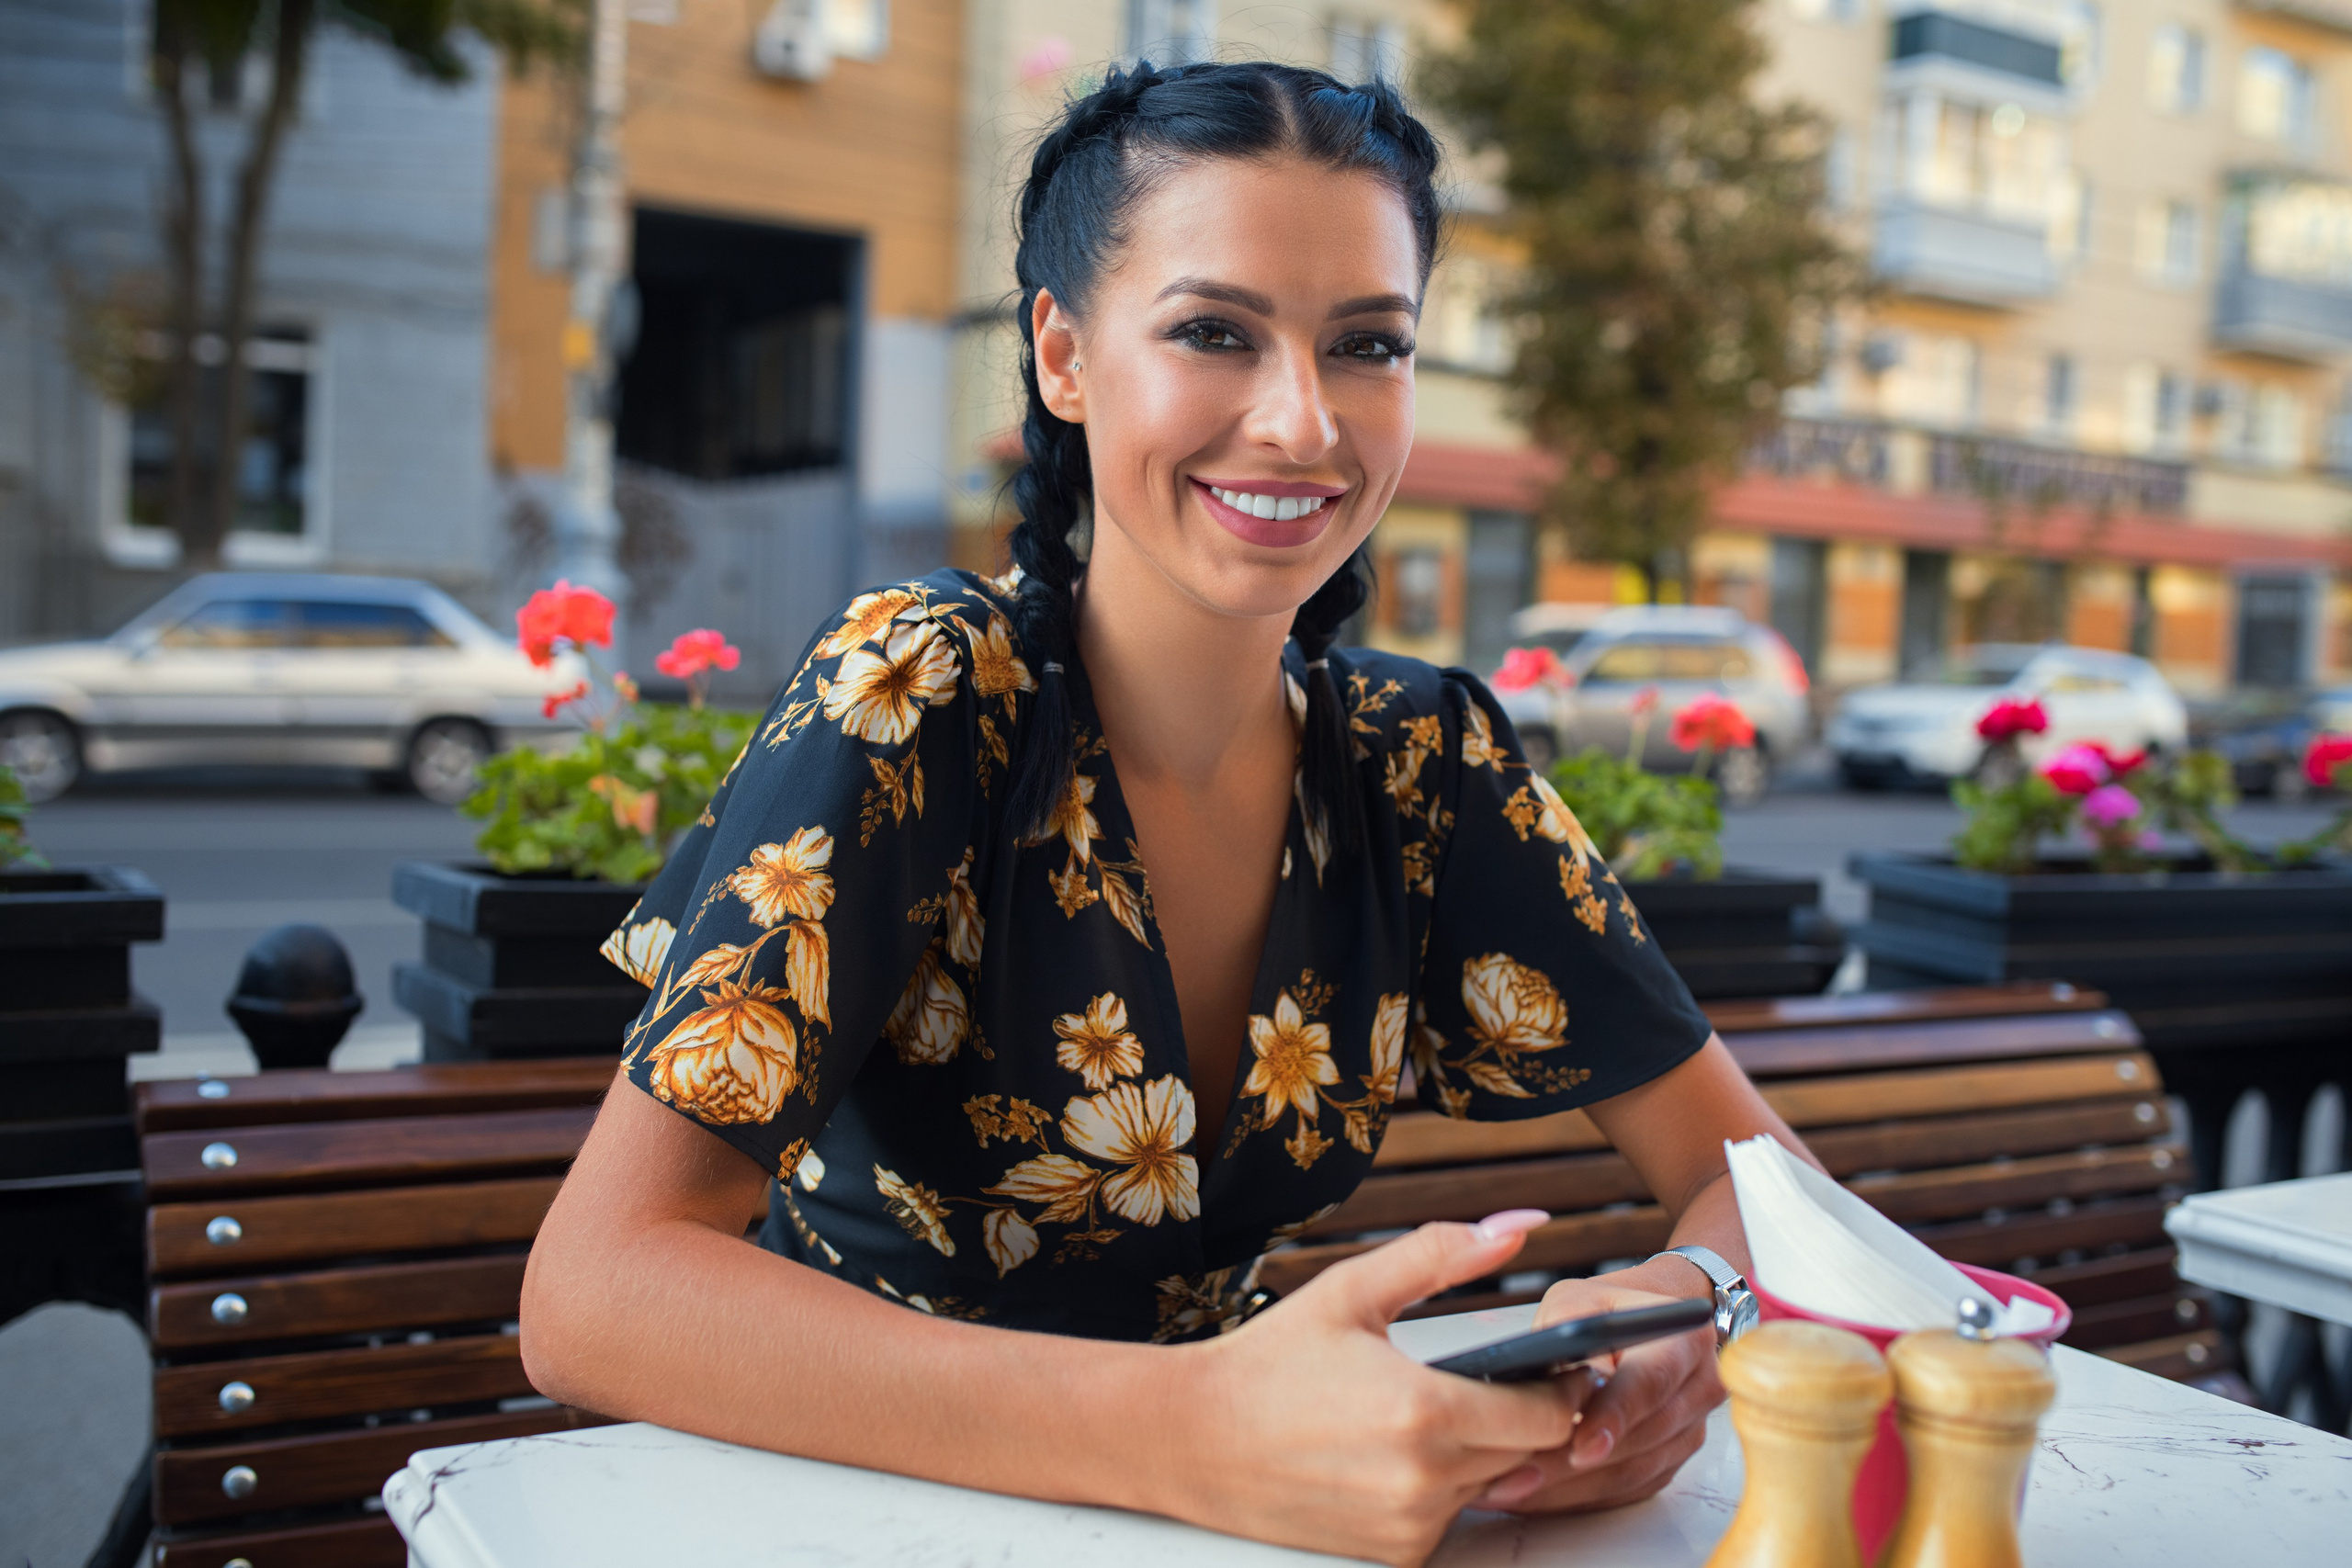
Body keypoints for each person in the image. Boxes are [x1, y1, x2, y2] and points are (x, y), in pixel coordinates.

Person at [521, 60, 1821, 1568]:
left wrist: (1674, 1321)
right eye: (1214, 332)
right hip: (848, 1513)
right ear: (1064, 357)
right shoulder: (927, 689)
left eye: (1368, 345)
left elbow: (1761, 1189)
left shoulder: (1421, 763)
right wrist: (1195, 1432)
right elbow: (595, 1294)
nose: (1303, 422)